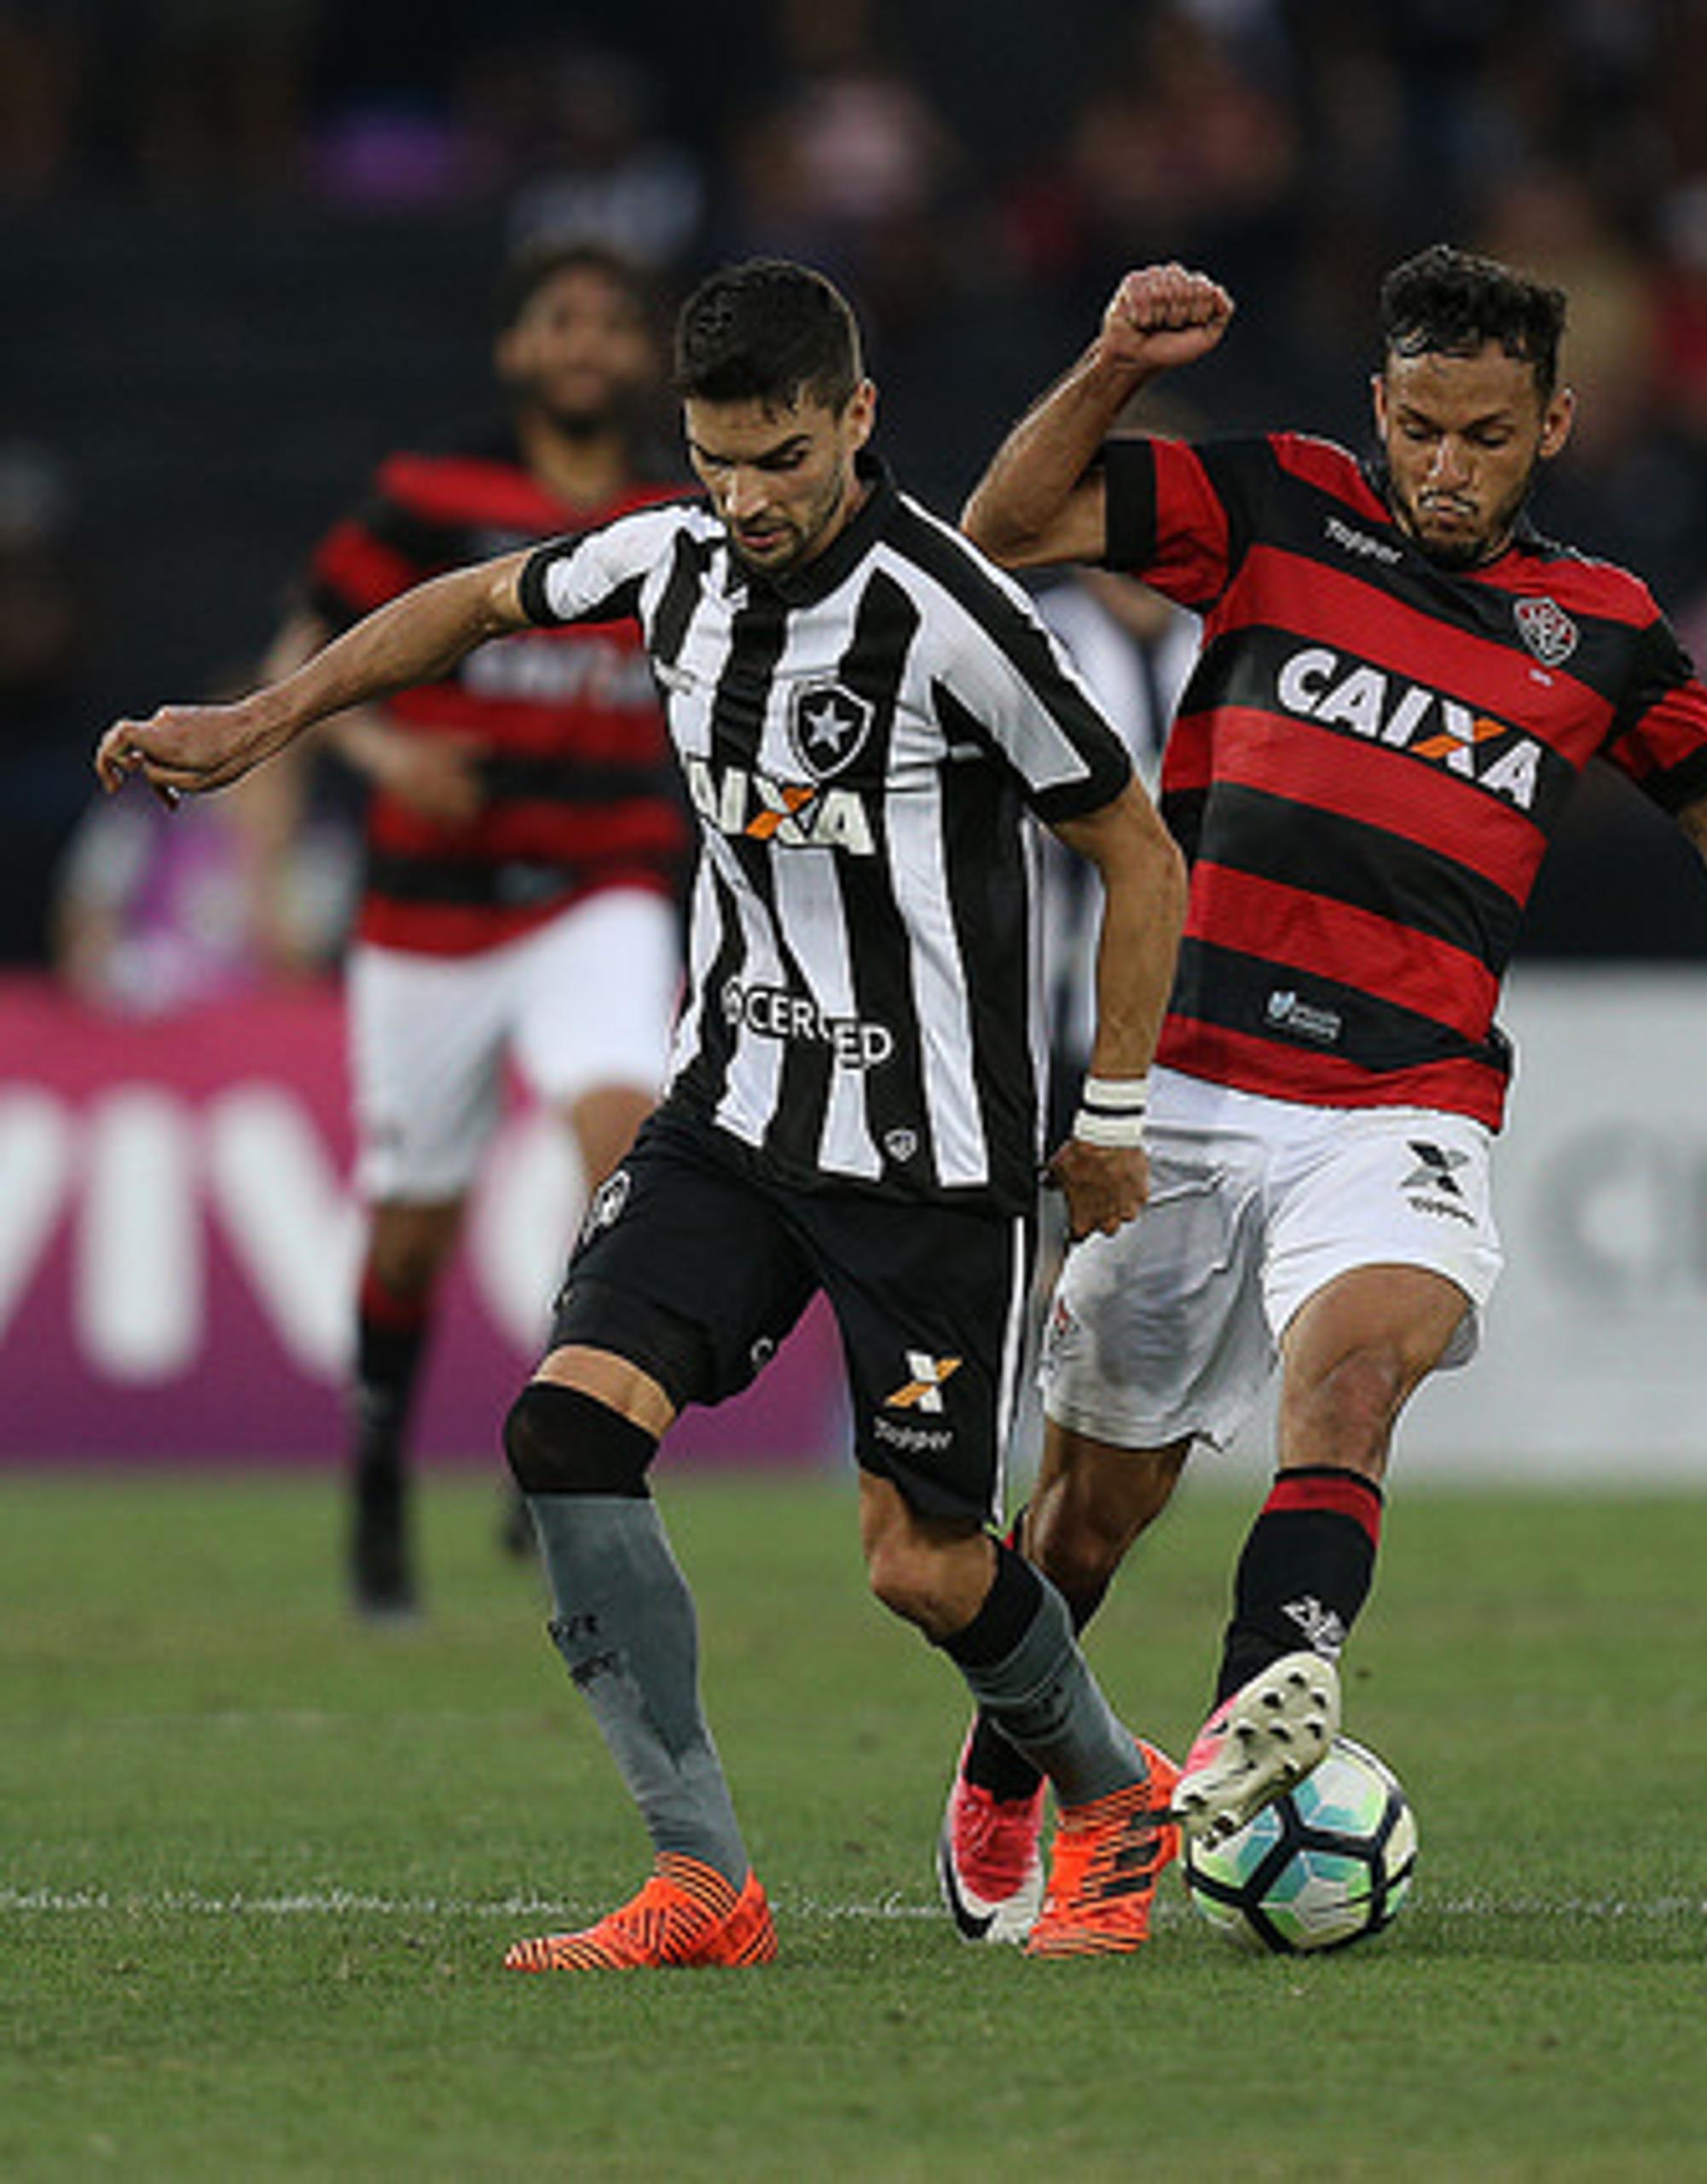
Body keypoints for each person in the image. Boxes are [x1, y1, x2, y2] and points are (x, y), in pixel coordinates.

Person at [932, 246, 1707, 1944]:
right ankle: (1009, 1761)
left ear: (1553, 423)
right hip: (1184, 1082)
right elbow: (1008, 526)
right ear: (1379, 413)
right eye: (1422, 430)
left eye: (1487, 435)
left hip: (1401, 1100)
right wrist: (1113, 359)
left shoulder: (1606, 629)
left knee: (1355, 1391)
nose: (1449, 469)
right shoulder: (1270, 505)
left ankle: (1261, 1707)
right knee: (1090, 1519)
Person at [95, 257, 1191, 1973]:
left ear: (855, 422)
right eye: (715, 462)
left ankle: (1116, 1796)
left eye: (780, 458)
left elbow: (1138, 850)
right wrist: (268, 721)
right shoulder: (666, 558)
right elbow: (469, 601)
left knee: (917, 1565)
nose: (746, 501)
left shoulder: (956, 614)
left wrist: (1110, 1108)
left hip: (929, 1157)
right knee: (565, 1435)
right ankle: (703, 1882)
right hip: (733, 1112)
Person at [260, 239, 690, 1619]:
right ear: (516, 349)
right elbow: (301, 653)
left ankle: (559, 1428)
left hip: (599, 885)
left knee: (625, 1144)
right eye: (561, 320)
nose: (587, 346)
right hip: (430, 912)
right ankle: (380, 1469)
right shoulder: (433, 494)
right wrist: (387, 761)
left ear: (641, 358)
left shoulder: (671, 515)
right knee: (410, 1233)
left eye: (612, 325)